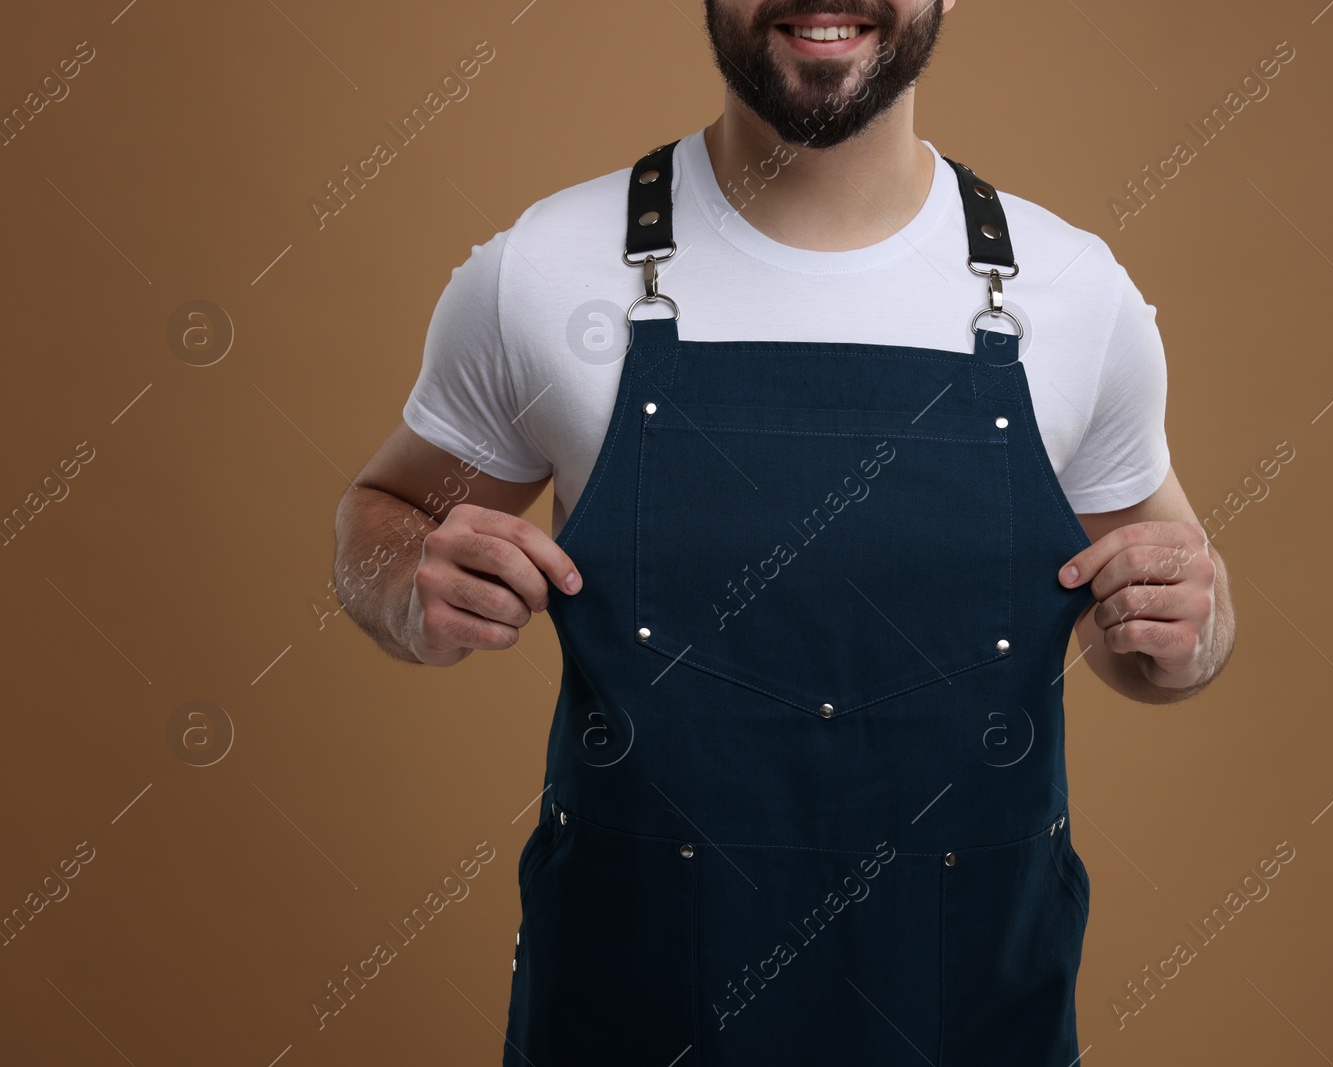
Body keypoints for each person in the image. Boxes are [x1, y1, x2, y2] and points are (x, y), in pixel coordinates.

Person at [333, 1, 1235, 1063]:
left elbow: (1168, 635)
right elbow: (384, 516)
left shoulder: (1074, 296)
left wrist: (1193, 630)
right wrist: (405, 587)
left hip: (970, 1016)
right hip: (631, 1018)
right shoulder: (541, 275)